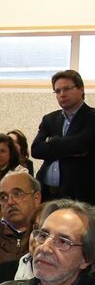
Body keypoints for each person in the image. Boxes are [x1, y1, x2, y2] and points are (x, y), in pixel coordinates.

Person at [33, 69, 95, 203]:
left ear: (81, 89)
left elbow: (82, 144)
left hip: (80, 193)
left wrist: (53, 141)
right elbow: (36, 150)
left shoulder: (91, 117)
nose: (62, 94)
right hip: (47, 192)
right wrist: (68, 148)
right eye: (57, 91)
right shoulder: (50, 119)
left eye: (66, 89)